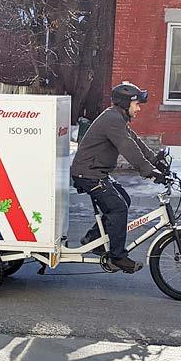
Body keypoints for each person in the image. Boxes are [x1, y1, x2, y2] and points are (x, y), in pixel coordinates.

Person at [71, 82, 166, 273]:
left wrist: (155, 161)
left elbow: (134, 141)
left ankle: (94, 239)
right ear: (125, 103)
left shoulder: (117, 118)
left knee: (124, 199)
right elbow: (127, 148)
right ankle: (118, 257)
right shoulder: (113, 119)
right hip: (88, 174)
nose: (138, 109)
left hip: (96, 172)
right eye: (136, 104)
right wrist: (148, 171)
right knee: (118, 207)